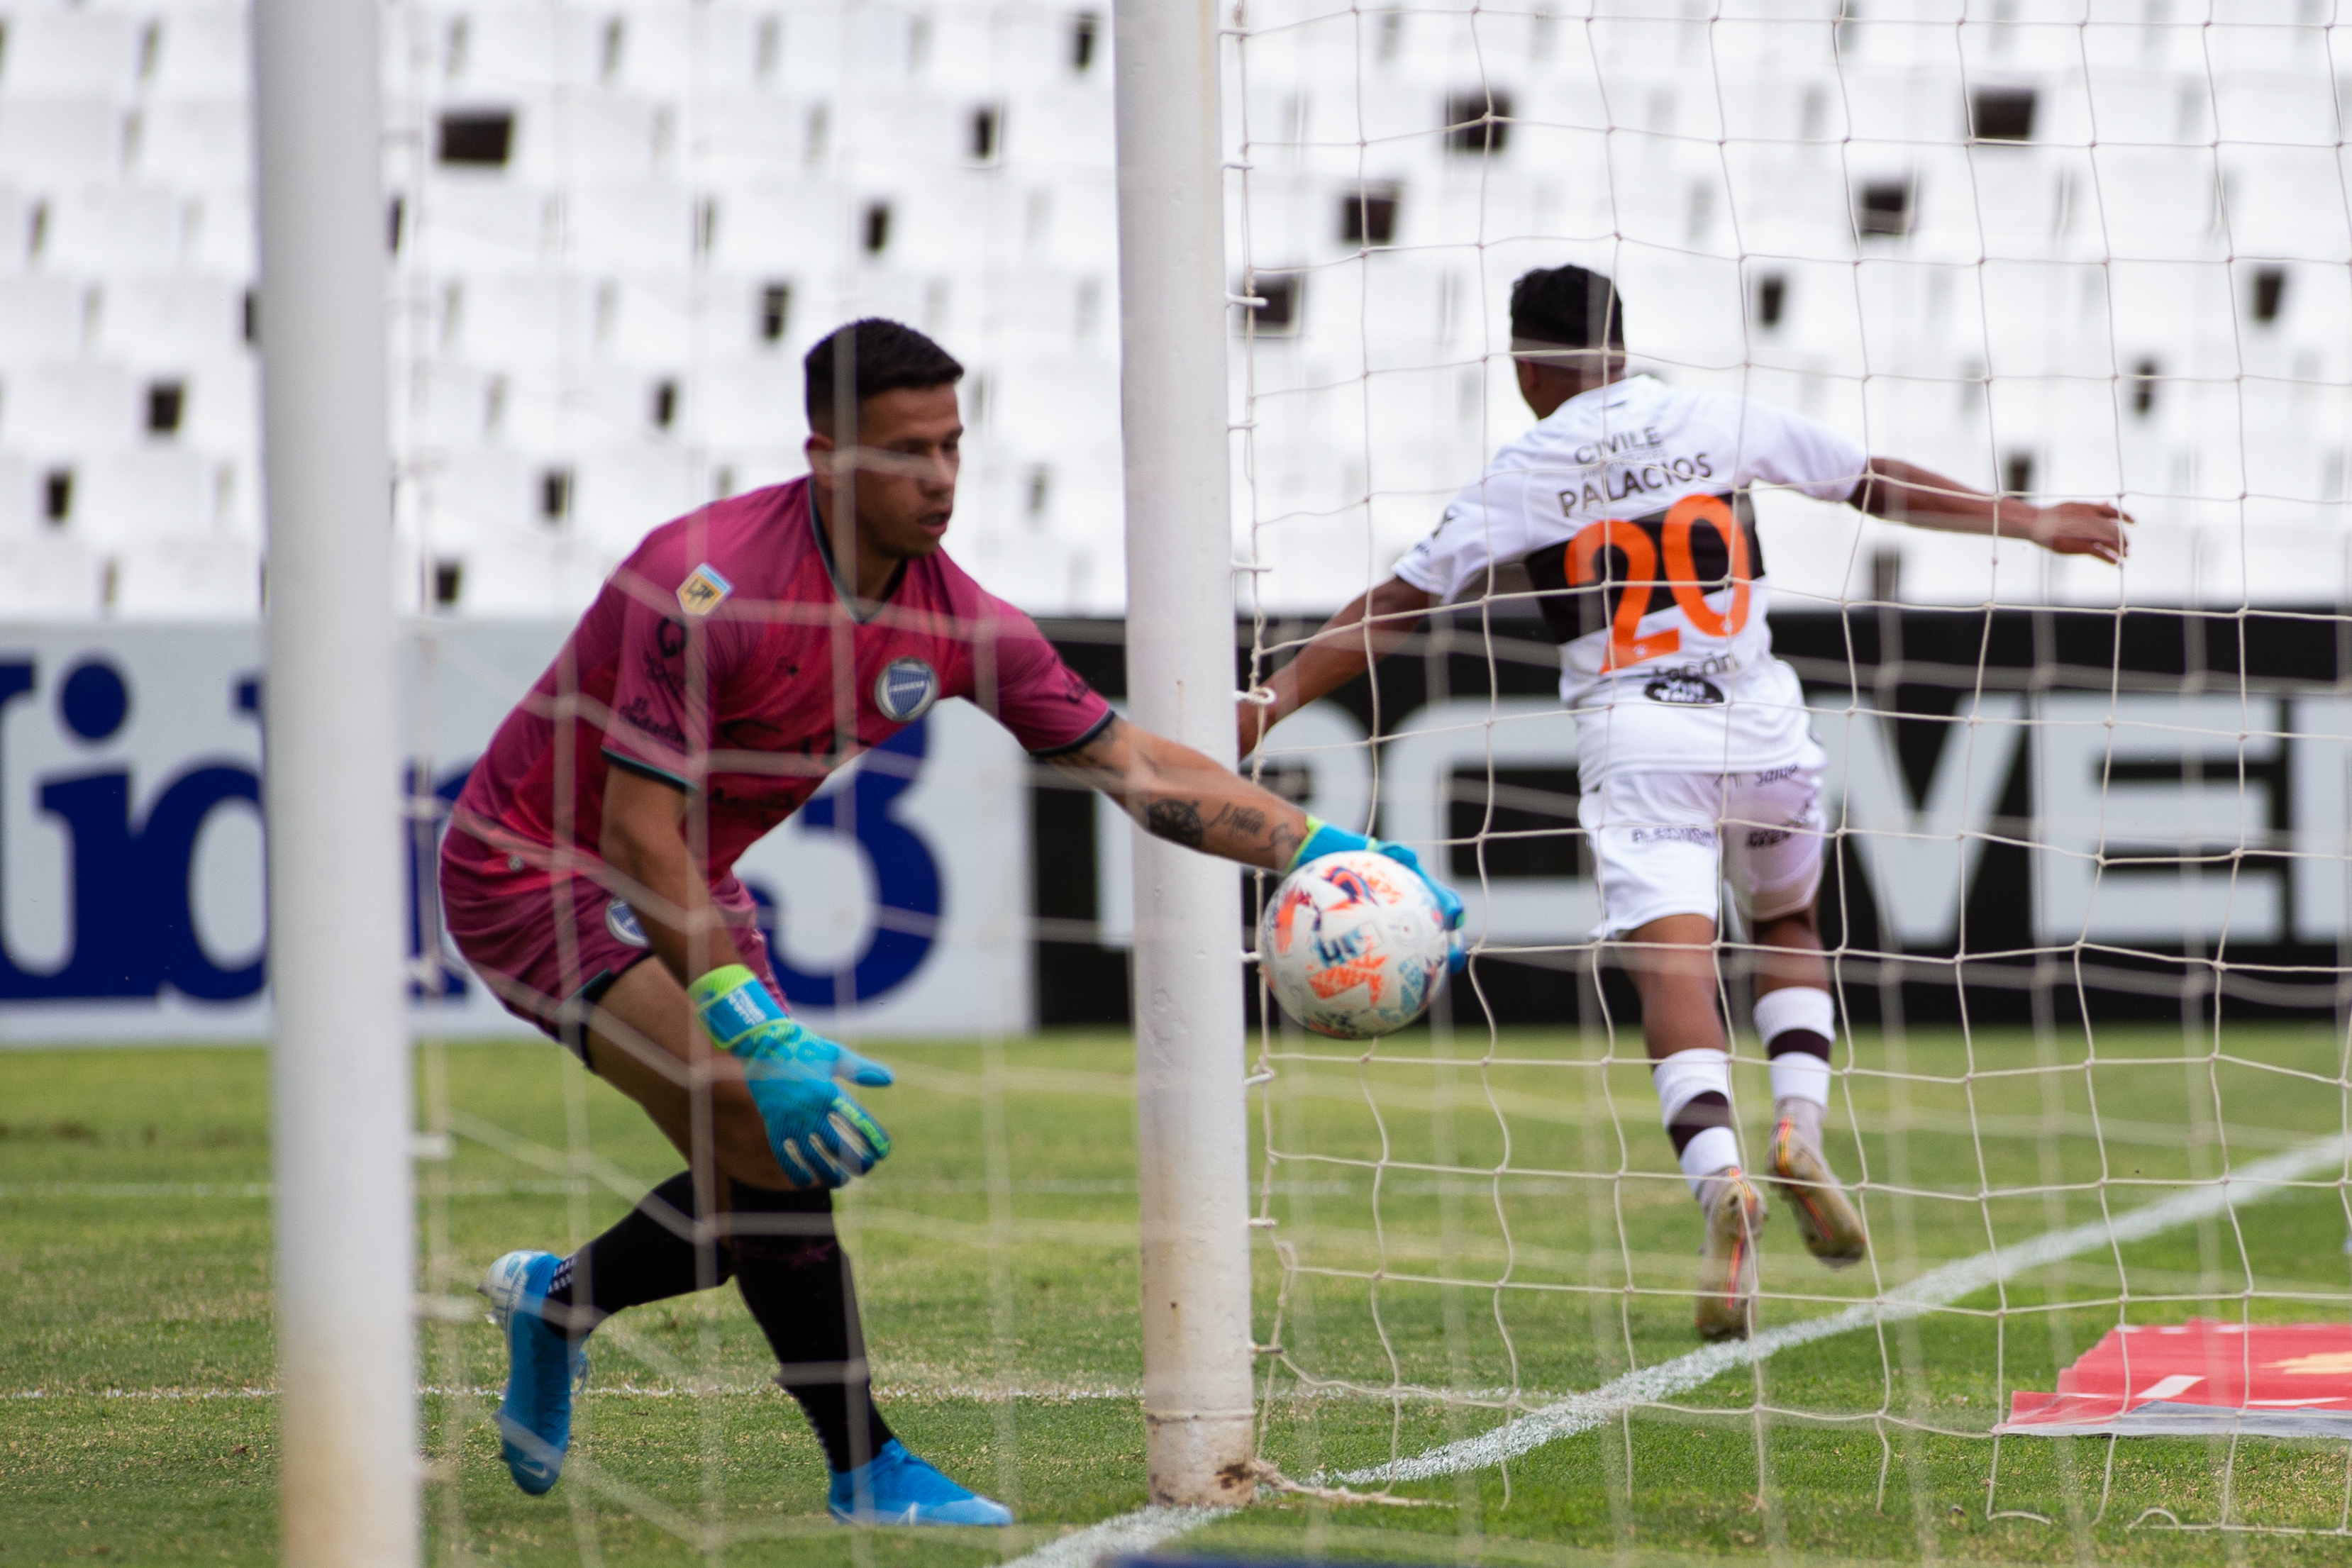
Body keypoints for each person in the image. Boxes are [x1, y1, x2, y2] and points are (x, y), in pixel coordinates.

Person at [441, 318, 1462, 1523]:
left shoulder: (962, 621)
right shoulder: (701, 582)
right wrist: (755, 1032)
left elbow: (1133, 765)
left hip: (683, 878)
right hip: (536, 870)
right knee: (768, 1143)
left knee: (768, 1170)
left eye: (953, 448)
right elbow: (633, 837)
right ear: (825, 456)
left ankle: (564, 1302)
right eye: (906, 453)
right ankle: (862, 1468)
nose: (939, 480)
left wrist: (1317, 849)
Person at [1237, 265, 2127, 1341]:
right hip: (1758, 719)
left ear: (1527, 365)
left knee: (1676, 965)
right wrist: (2027, 520)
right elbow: (1870, 480)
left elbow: (1397, 606)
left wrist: (1275, 697)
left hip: (1637, 730)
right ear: (1620, 347)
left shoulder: (1521, 469)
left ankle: (1722, 1186)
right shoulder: (1711, 416)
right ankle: (1799, 1123)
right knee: (1789, 921)